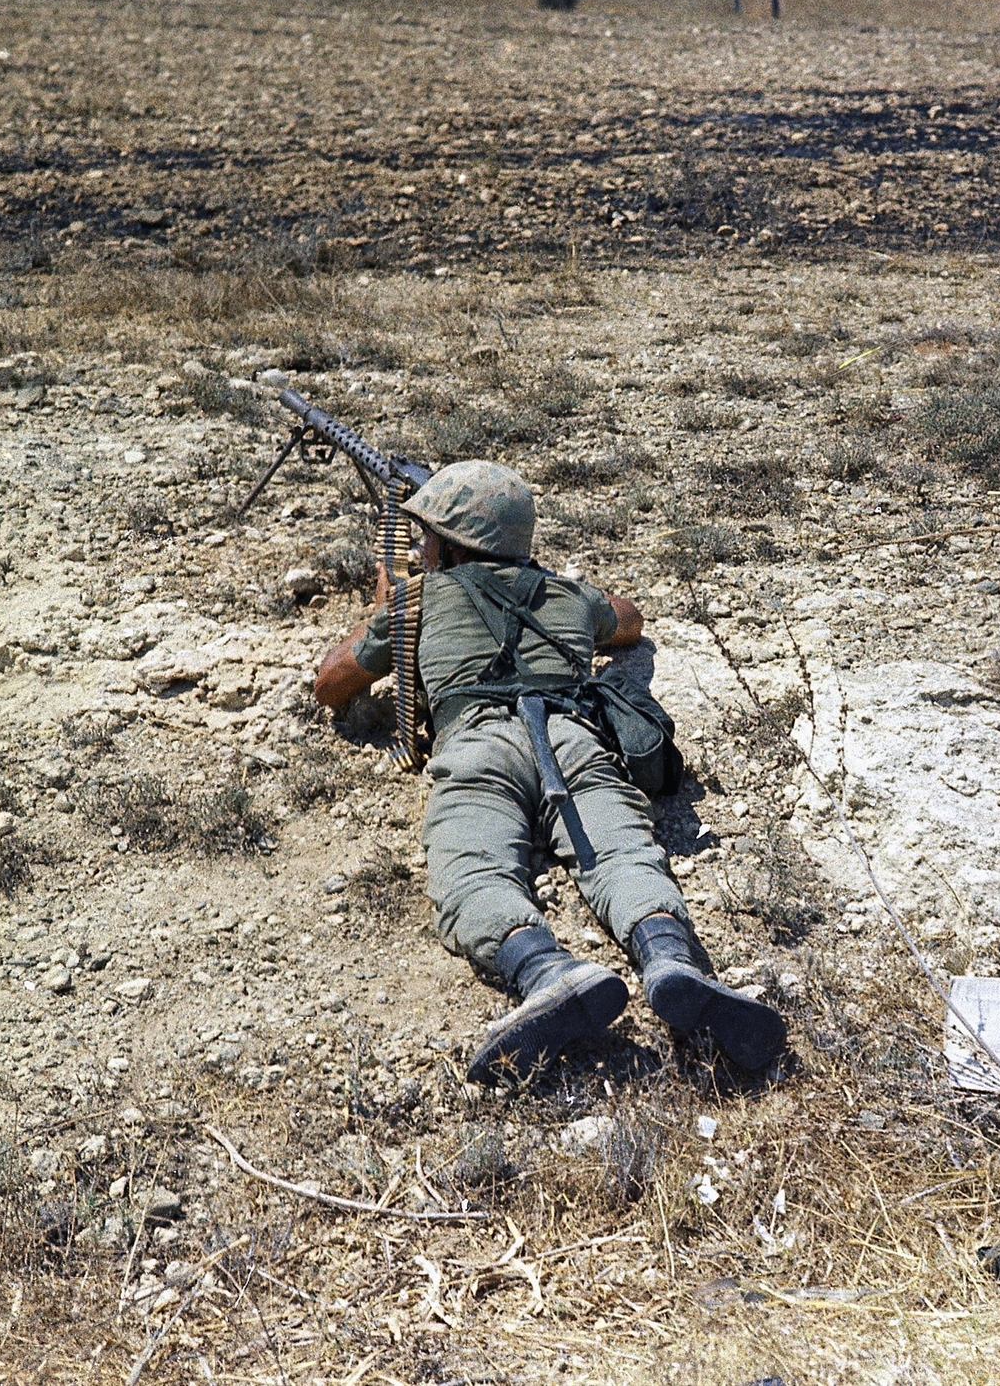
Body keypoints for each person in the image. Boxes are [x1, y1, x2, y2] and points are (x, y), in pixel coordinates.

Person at [312, 460, 787, 1083]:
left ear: (456, 544)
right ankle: (671, 963)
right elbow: (628, 619)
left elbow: (332, 682)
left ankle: (548, 974)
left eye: (429, 535)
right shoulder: (565, 594)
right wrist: (551, 587)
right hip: (571, 736)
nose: (420, 545)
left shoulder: (418, 599)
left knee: (472, 872)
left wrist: (390, 597)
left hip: (479, 743)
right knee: (622, 853)